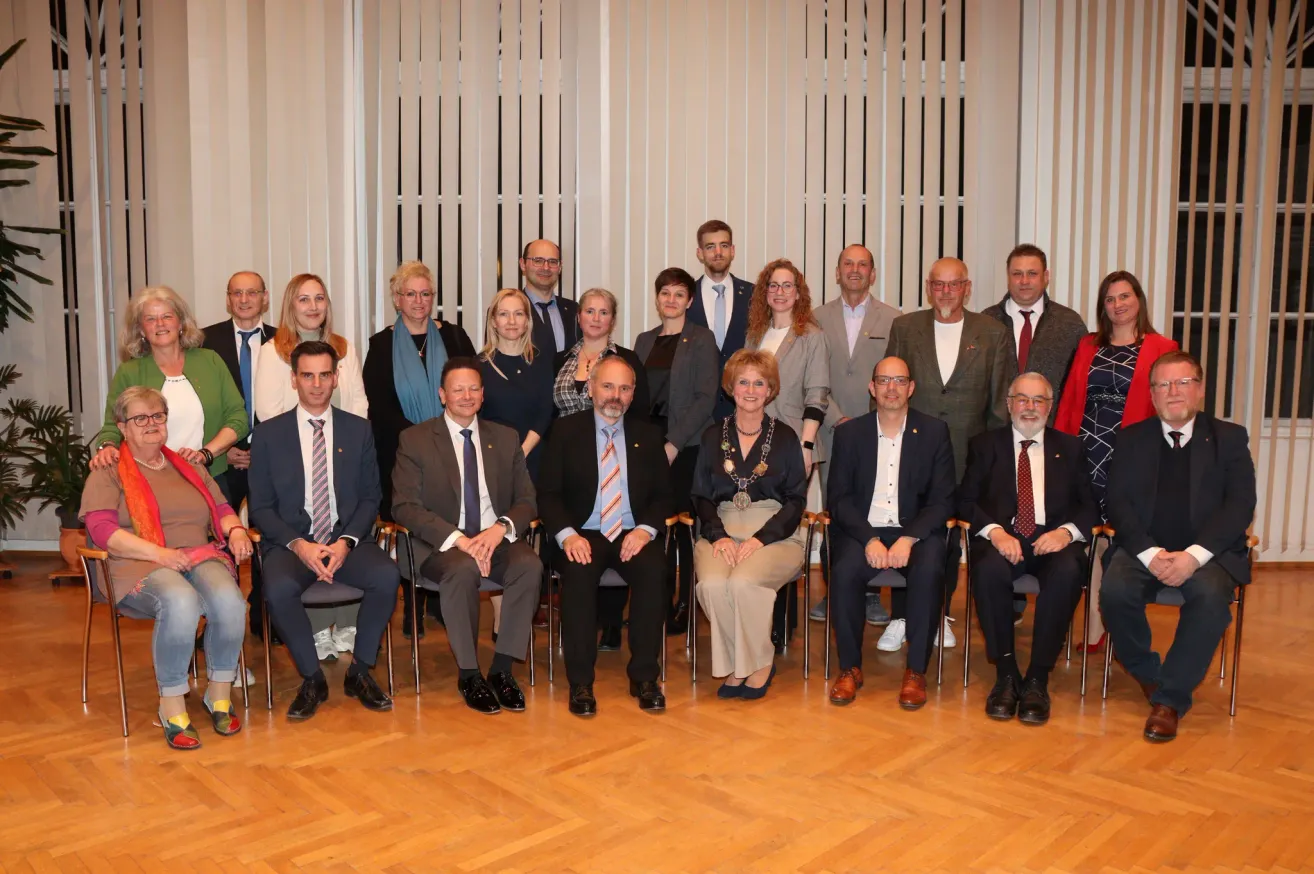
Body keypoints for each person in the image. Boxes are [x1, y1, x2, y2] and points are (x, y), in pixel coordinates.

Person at [79, 386, 252, 750]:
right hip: (134, 562)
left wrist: (235, 529)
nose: (151, 424)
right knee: (180, 600)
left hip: (195, 555)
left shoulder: (187, 465)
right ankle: (171, 703)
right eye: (140, 418)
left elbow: (221, 509)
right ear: (122, 427)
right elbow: (102, 532)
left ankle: (218, 694)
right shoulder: (108, 470)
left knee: (230, 600)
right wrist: (159, 554)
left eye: (158, 415)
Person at [1100, 351, 1255, 743]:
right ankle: (1149, 674)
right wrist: (1151, 554)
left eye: (1182, 382)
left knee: (1209, 599)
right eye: (1163, 385)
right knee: (1114, 592)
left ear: (1199, 389)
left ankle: (1169, 701)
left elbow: (1240, 505)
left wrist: (1193, 557)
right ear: (1152, 395)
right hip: (1144, 548)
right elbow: (1118, 503)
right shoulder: (1132, 438)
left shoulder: (1229, 438)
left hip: (1208, 554)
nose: (1173, 392)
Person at [248, 341, 400, 721]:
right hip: (290, 543)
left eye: (324, 375)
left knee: (387, 575)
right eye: (307, 375)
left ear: (336, 379)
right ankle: (312, 678)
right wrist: (300, 546)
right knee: (278, 586)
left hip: (345, 538)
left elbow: (370, 497)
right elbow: (261, 507)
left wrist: (346, 542)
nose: (316, 384)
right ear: (294, 380)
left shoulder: (359, 430)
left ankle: (360, 670)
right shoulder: (268, 434)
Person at [391, 358, 542, 715]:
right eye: (457, 389)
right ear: (442, 394)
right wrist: (459, 539)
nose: (466, 395)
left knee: (529, 565)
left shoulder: (505, 439)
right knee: (463, 569)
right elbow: (404, 507)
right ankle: (470, 674)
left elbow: (527, 500)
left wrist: (499, 528)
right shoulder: (414, 439)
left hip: (494, 539)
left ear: (483, 394)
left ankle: (502, 670)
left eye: (474, 388)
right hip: (439, 545)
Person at [886, 257, 1015, 651]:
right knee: (905, 528)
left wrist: (993, 462)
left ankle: (938, 613)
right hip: (911, 451)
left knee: (950, 539)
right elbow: (889, 389)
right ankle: (901, 617)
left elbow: (999, 403)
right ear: (929, 287)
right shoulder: (905, 328)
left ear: (966, 287)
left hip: (966, 453)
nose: (945, 292)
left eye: (953, 284)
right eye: (938, 285)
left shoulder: (992, 333)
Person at [958, 372, 1099, 725]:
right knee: (988, 569)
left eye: (1039, 400)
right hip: (1003, 540)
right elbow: (964, 500)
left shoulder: (1071, 448)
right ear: (1009, 405)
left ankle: (1037, 677)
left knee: (1069, 570)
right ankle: (1006, 674)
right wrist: (994, 532)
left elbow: (1090, 506)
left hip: (1052, 540)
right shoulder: (984, 445)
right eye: (1022, 399)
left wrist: (1067, 533)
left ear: (1050, 407)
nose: (1030, 407)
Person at [538, 356, 673, 717]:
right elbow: (548, 494)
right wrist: (567, 536)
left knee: (654, 571)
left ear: (632, 394)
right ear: (592, 388)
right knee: (578, 575)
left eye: (625, 388)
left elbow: (664, 494)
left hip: (632, 532)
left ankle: (644, 677)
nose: (616, 395)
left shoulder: (648, 434)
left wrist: (646, 530)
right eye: (608, 386)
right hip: (584, 532)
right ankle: (581, 682)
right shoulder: (566, 431)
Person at [1056, 270, 1179, 650]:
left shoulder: (1162, 346)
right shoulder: (1088, 344)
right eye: (1110, 299)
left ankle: (1117, 620)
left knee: (1121, 535)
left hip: (1132, 452)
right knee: (1089, 533)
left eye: (1124, 297)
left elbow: (1172, 407)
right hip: (1087, 447)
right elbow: (1071, 398)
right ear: (1102, 306)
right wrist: (1059, 449)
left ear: (1138, 300)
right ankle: (1095, 628)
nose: (1118, 305)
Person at [825, 357, 956, 709]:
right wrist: (868, 538)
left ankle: (916, 672)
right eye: (884, 380)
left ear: (911, 387)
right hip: (863, 529)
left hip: (913, 531)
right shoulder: (850, 433)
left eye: (899, 380)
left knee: (929, 570)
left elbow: (942, 500)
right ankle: (850, 668)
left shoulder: (933, 432)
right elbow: (838, 498)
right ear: (872, 388)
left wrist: (908, 537)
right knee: (845, 571)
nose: (892, 388)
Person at [255, 273, 369, 660]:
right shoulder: (274, 350)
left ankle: (348, 626)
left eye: (319, 298)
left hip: (341, 447)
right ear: (290, 305)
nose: (313, 306)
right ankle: (318, 632)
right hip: (295, 452)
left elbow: (356, 402)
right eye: (303, 299)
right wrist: (307, 431)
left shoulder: (343, 348)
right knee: (304, 532)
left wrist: (345, 438)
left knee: (345, 525)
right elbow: (267, 409)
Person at [362, 261, 477, 639]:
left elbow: (469, 391)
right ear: (397, 298)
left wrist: (443, 438)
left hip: (456, 449)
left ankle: (444, 601)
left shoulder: (456, 337)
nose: (418, 301)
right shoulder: (380, 344)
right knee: (412, 527)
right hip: (401, 452)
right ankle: (412, 602)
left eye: (425, 293)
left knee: (450, 520)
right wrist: (421, 441)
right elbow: (379, 406)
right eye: (410, 293)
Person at [691, 349, 807, 699]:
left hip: (775, 533)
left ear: (771, 390)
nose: (751, 390)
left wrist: (762, 538)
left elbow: (797, 500)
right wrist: (719, 536)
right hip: (720, 528)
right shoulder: (713, 436)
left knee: (742, 584)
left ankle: (757, 664)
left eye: (760, 383)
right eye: (744, 382)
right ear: (731, 388)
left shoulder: (786, 437)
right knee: (711, 585)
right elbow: (700, 496)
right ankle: (736, 666)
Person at [551, 287, 649, 651]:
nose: (595, 318)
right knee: (582, 554)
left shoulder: (626, 360)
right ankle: (581, 646)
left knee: (629, 546)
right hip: (572, 459)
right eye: (589, 311)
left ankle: (611, 625)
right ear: (578, 317)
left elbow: (639, 415)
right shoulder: (561, 358)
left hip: (618, 453)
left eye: (603, 312)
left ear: (612, 318)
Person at [812, 244, 901, 627]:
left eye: (862, 265)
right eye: (847, 263)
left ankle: (870, 594)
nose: (854, 270)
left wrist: (869, 426)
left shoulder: (895, 320)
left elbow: (894, 378)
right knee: (837, 510)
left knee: (876, 504)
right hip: (829, 428)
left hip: (875, 433)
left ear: (873, 273)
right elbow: (810, 377)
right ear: (837, 271)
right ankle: (836, 590)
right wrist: (836, 419)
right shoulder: (814, 318)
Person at [91, 287, 249, 494]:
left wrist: (206, 454)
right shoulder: (129, 372)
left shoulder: (210, 361)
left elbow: (238, 418)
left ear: (181, 322)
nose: (160, 324)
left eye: (167, 316)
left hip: (209, 479)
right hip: (149, 483)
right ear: (140, 330)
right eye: (150, 319)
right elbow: (112, 427)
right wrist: (107, 447)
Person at [633, 267, 719, 635]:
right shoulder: (643, 339)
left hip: (685, 445)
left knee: (682, 529)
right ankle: (655, 602)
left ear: (690, 300)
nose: (671, 299)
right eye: (665, 292)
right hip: (646, 444)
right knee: (649, 524)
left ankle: (683, 604)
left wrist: (673, 442)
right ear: (657, 298)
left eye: (679, 294)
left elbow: (706, 398)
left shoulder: (701, 338)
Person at [202, 271, 276, 636]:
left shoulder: (284, 340)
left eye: (252, 293)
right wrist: (223, 448)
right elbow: (196, 404)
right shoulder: (204, 341)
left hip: (270, 460)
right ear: (228, 298)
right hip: (222, 458)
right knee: (220, 540)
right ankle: (220, 621)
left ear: (264, 297)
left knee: (270, 538)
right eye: (237, 293)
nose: (245, 300)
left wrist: (263, 448)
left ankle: (266, 615)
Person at [981, 245, 1087, 419]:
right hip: (997, 433)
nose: (1024, 281)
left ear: (1046, 277)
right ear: (1008, 277)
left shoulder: (1070, 323)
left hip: (1051, 434)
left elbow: (1080, 386)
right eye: (1017, 274)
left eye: (1032, 273)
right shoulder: (986, 322)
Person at [477, 288, 555, 481]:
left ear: (527, 321)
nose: (511, 321)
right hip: (491, 459)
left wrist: (522, 452)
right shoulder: (478, 365)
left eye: (518, 314)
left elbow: (546, 411)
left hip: (535, 458)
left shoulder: (542, 361)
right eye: (504, 314)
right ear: (494, 321)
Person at [685, 219, 753, 419]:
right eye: (710, 246)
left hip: (744, 406)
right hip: (696, 411)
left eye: (723, 246)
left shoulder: (754, 294)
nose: (717, 252)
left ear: (732, 250)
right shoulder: (686, 296)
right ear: (700, 253)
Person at [521, 239, 579, 357]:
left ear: (560, 267)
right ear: (523, 264)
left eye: (552, 261)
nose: (546, 267)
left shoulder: (575, 311)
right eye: (538, 260)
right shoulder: (506, 311)